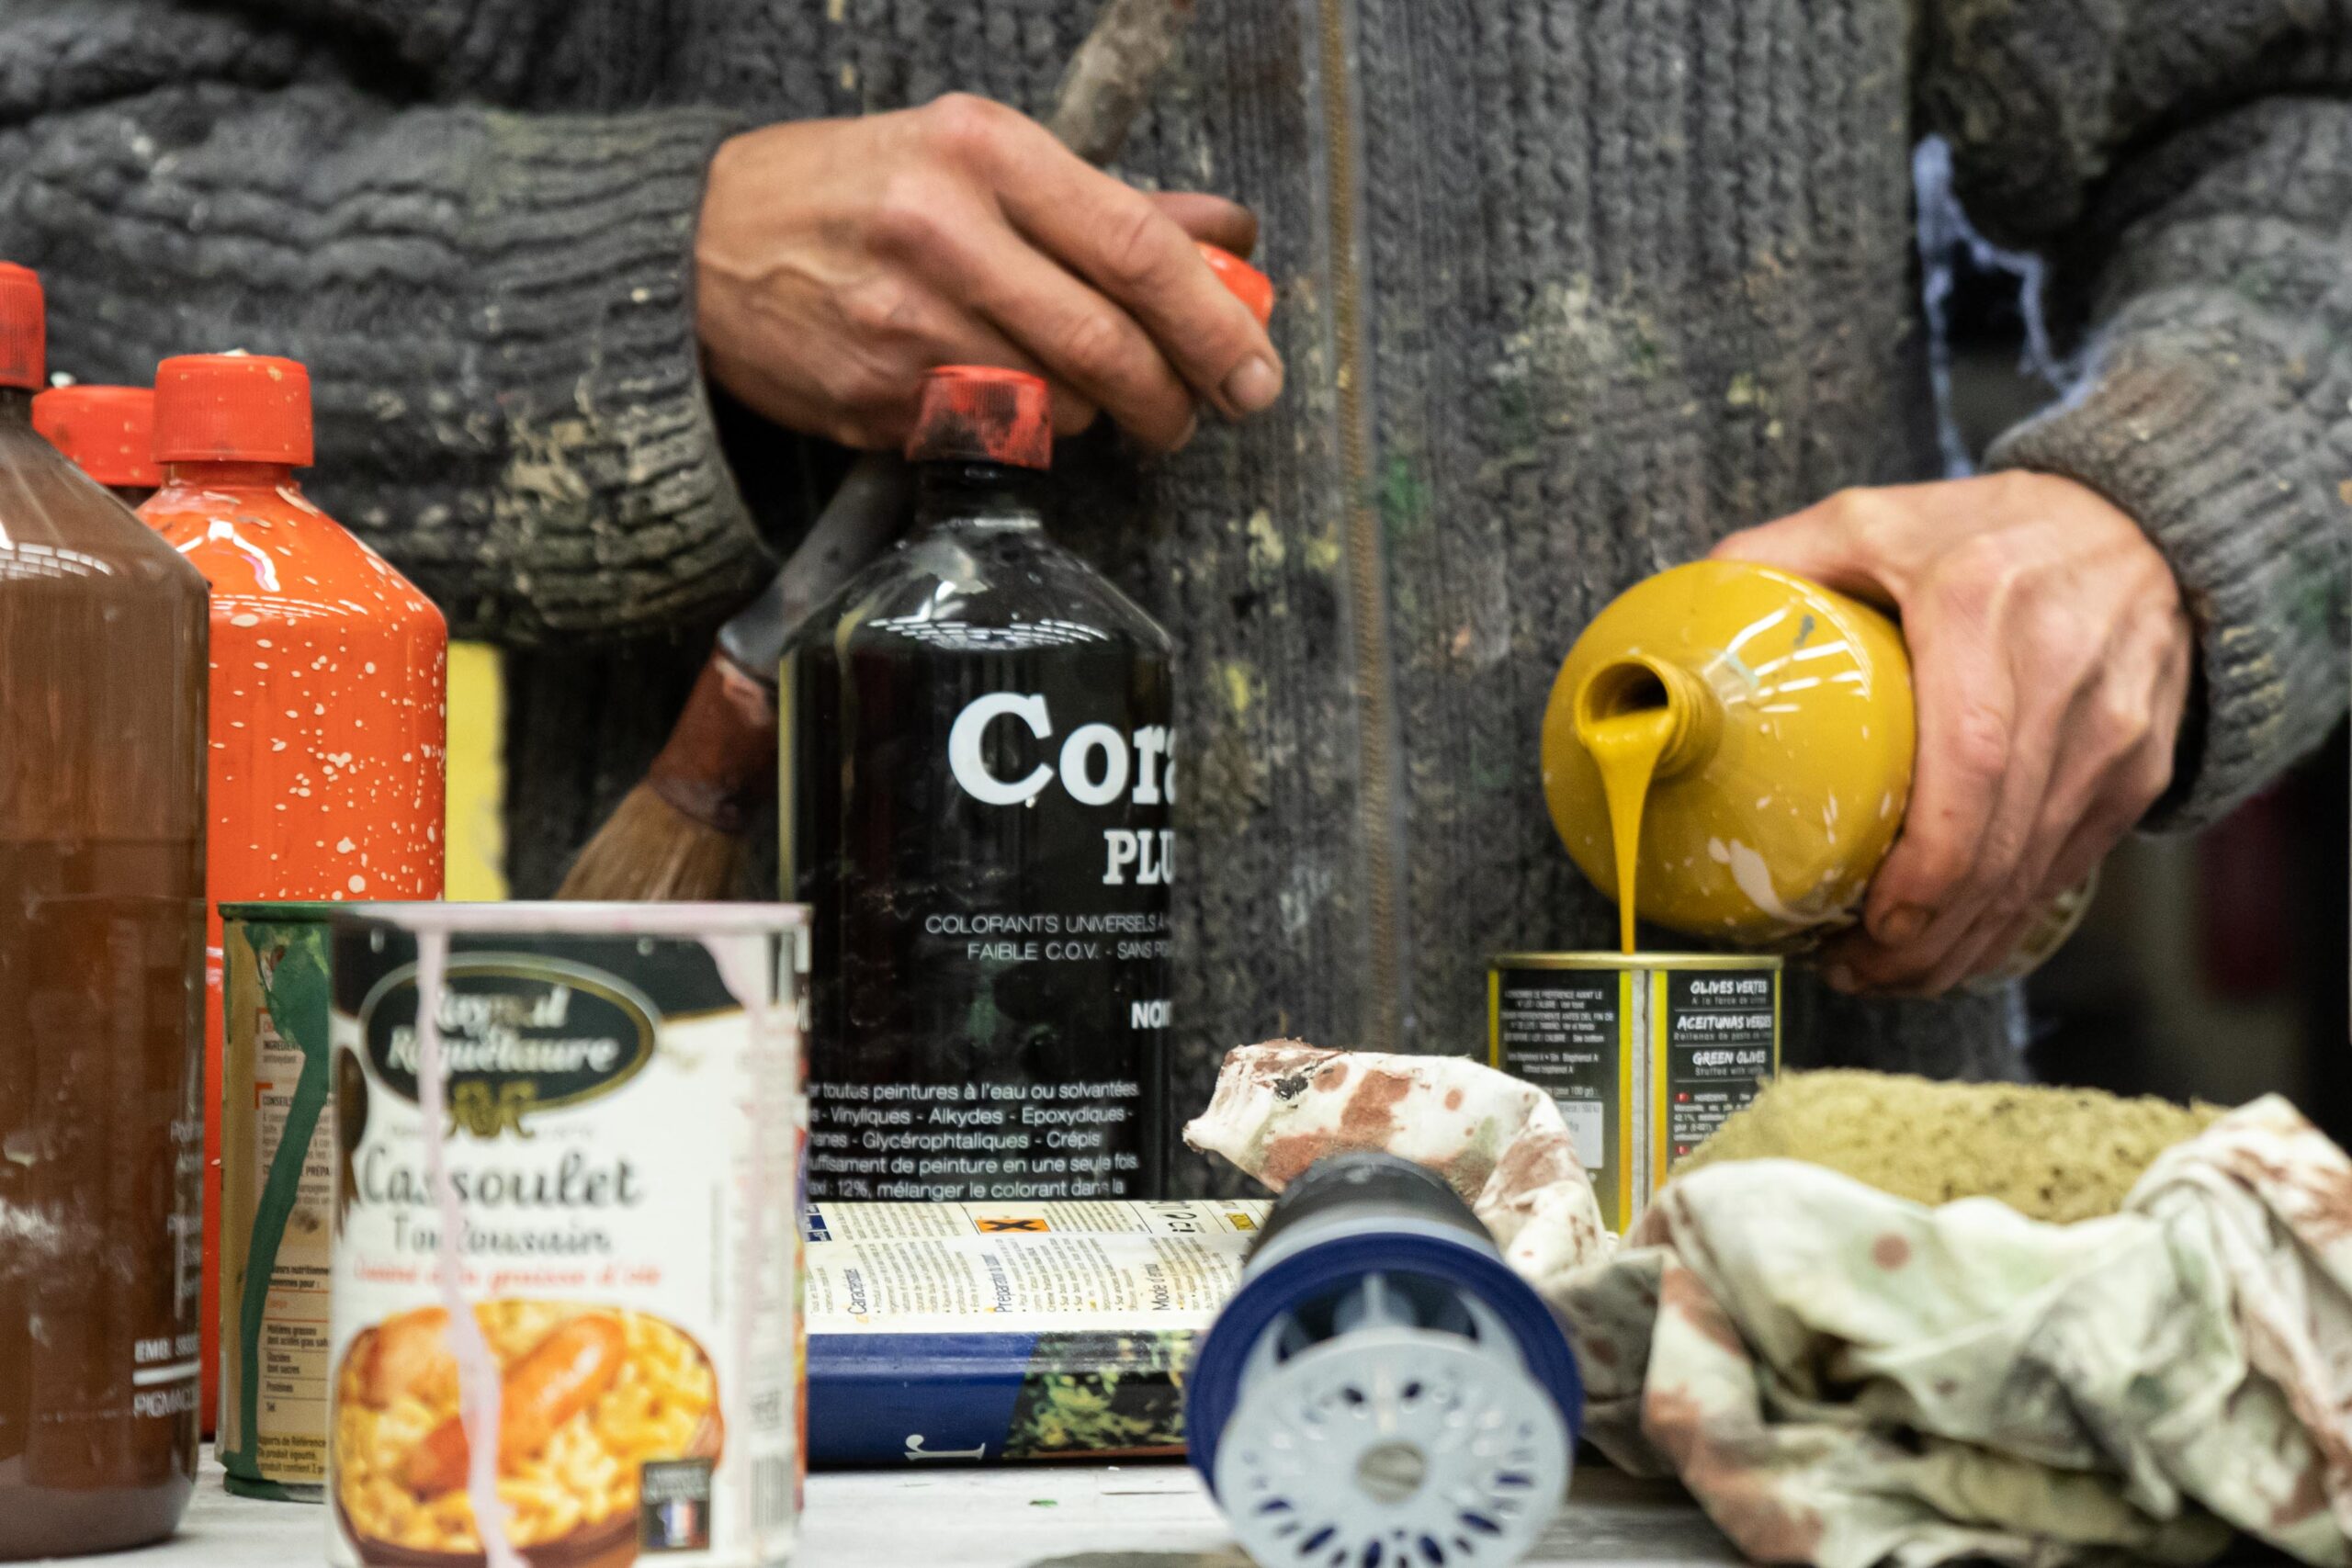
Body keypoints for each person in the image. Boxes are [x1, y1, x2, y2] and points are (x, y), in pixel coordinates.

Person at [4, 0, 2342, 1132]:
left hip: (1769, 1346)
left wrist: (2159, 512)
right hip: (798, 1377)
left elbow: (2290, 103)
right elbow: (53, 166)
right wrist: (647, 261)